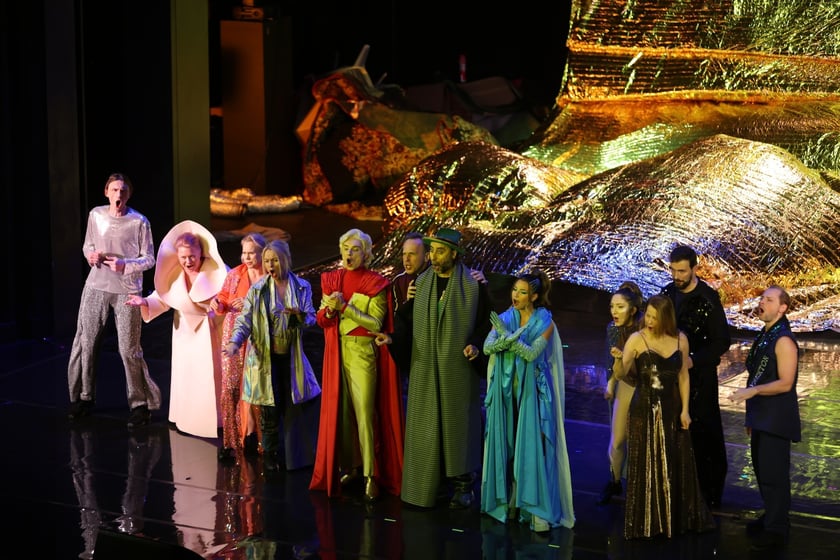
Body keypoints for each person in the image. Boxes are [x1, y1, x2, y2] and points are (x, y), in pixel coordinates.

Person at [375, 227, 492, 509]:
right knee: (429, 427)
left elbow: (486, 324)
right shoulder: (423, 283)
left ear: (454, 254)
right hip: (427, 367)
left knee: (458, 426)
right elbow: (406, 321)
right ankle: (431, 483)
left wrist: (476, 346)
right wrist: (392, 338)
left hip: (456, 369)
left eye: (440, 251)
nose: (434, 257)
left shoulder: (472, 286)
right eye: (432, 251)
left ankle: (463, 484)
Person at [309, 229, 403, 501]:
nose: (349, 254)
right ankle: (352, 467)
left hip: (363, 353)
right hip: (337, 352)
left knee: (364, 414)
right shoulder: (333, 279)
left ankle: (371, 475)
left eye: (356, 249)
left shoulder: (376, 283)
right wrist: (330, 310)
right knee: (343, 414)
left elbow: (376, 323)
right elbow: (322, 320)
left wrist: (345, 307)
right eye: (346, 249)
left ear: (367, 253)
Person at [480, 270, 575, 532]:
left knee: (534, 447)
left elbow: (532, 354)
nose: (516, 296)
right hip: (506, 391)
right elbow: (487, 347)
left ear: (533, 296)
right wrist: (506, 336)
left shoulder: (545, 322)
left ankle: (535, 508)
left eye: (522, 292)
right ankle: (511, 501)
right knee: (508, 445)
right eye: (514, 290)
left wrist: (510, 338)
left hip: (533, 394)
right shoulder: (504, 318)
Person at [614, 295, 715, 539]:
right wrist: (618, 360)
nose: (649, 321)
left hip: (671, 409)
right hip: (644, 409)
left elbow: (683, 377)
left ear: (666, 319)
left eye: (654, 318)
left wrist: (685, 410)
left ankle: (671, 519)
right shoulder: (637, 339)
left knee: (672, 463)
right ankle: (647, 522)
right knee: (647, 463)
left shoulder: (681, 340)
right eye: (647, 316)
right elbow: (621, 374)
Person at [67, 172, 161, 428]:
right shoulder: (96, 215)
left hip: (127, 290)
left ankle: (140, 405)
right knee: (86, 342)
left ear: (128, 195)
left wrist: (125, 264)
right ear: (106, 192)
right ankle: (83, 397)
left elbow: (149, 258)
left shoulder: (139, 221)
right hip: (96, 286)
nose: (119, 194)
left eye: (123, 190)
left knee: (129, 349)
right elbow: (87, 245)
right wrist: (90, 255)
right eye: (115, 190)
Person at [223, 240, 321, 472]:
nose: (270, 265)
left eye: (275, 260)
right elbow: (245, 319)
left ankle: (295, 455)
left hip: (291, 357)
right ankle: (270, 454)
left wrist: (300, 316)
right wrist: (234, 342)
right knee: (269, 407)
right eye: (267, 261)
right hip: (265, 359)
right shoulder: (258, 290)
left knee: (293, 404)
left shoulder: (301, 287)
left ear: (285, 260)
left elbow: (311, 318)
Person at [126, 220, 228, 438]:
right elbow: (163, 298)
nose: (188, 261)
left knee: (210, 378)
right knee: (186, 376)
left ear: (201, 253)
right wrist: (144, 302)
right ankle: (186, 418)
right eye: (183, 257)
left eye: (192, 256)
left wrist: (220, 306)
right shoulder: (174, 276)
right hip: (184, 333)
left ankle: (215, 420)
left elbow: (232, 298)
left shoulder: (218, 272)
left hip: (209, 334)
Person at [728, 285, 800, 550]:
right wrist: (752, 415)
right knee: (762, 470)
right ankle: (771, 516)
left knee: (774, 475)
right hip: (762, 415)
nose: (762, 303)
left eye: (769, 300)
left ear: (782, 308)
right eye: (762, 298)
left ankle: (777, 528)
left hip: (776, 418)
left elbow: (785, 383)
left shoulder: (783, 341)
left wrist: (753, 391)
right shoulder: (767, 335)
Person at [661, 244, 731, 509]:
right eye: (673, 270)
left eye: (682, 271)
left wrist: (693, 360)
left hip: (700, 378)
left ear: (694, 269)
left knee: (704, 433)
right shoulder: (668, 293)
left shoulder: (707, 298)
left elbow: (721, 341)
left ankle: (708, 494)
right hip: (671, 377)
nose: (676, 276)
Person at [211, 233, 267, 462]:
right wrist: (218, 303)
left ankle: (256, 438)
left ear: (263, 253)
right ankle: (230, 442)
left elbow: (279, 303)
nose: (246, 258)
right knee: (230, 387)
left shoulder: (271, 275)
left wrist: (251, 303)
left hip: (260, 335)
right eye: (244, 253)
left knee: (257, 387)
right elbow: (223, 299)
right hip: (234, 333)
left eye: (251, 253)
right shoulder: (235, 274)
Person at [597, 281, 644, 505]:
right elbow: (611, 361)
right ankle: (614, 480)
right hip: (623, 382)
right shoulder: (613, 328)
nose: (614, 312)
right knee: (617, 440)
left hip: (645, 385)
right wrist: (610, 384)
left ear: (632, 310)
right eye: (612, 307)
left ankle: (640, 485)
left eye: (620, 307)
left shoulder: (644, 327)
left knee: (640, 440)